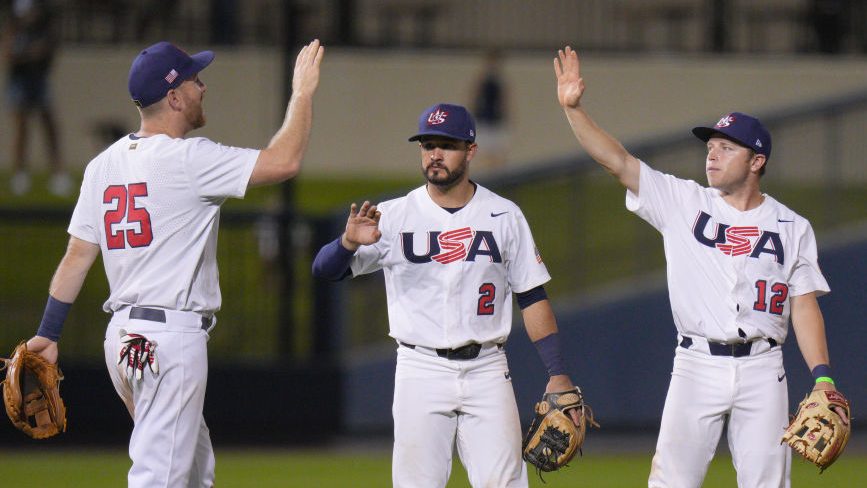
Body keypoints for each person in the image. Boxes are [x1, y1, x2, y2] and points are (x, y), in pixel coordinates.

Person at [24, 39, 324, 487]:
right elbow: (284, 162)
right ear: (175, 97)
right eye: (195, 80)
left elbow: (78, 256)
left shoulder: (101, 166)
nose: (203, 87)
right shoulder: (188, 159)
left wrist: (49, 332)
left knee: (195, 474)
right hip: (167, 341)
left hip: (123, 339)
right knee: (159, 478)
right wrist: (301, 93)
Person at [553, 46, 849, 488]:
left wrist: (822, 376)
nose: (711, 155)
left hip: (764, 368)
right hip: (696, 363)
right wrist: (573, 110)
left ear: (757, 161)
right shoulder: (684, 202)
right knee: (671, 481)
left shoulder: (792, 226)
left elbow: (803, 307)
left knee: (768, 483)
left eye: (726, 148)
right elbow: (616, 161)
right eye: (710, 146)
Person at [312, 103, 586, 487]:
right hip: (419, 367)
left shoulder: (504, 216)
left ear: (471, 150)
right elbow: (324, 270)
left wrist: (558, 373)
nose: (435, 155)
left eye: (446, 145)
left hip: (488, 368)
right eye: (427, 145)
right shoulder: (392, 216)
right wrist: (346, 243)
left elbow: (532, 296)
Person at [2, 0, 70, 196]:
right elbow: (9, 55)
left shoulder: (44, 29)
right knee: (21, 128)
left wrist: (32, 54)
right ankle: (20, 174)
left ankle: (58, 173)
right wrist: (30, 54)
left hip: (38, 80)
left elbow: (49, 50)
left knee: (49, 125)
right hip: (19, 81)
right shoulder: (13, 30)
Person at [471, 49, 509, 168]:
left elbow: (505, 100)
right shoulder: (482, 80)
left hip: (496, 120)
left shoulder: (500, 81)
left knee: (498, 155)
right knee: (482, 154)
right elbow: (474, 97)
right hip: (483, 120)